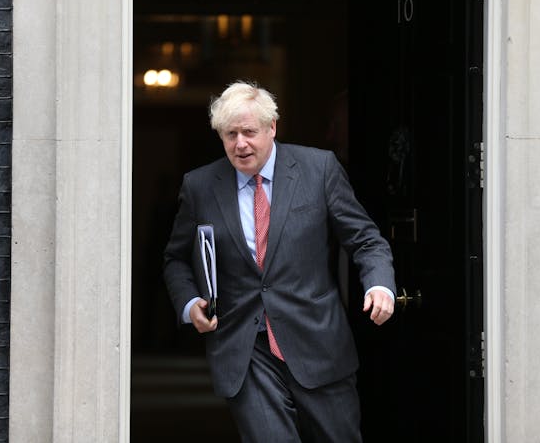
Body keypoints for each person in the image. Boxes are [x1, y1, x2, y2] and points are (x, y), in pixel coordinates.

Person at [163, 80, 396, 442]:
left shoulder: (319, 169)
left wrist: (379, 284)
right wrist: (191, 302)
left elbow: (365, 239)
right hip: (246, 351)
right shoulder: (200, 186)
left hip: (318, 344)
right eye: (230, 134)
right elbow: (176, 258)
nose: (240, 143)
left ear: (272, 128)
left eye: (249, 132)